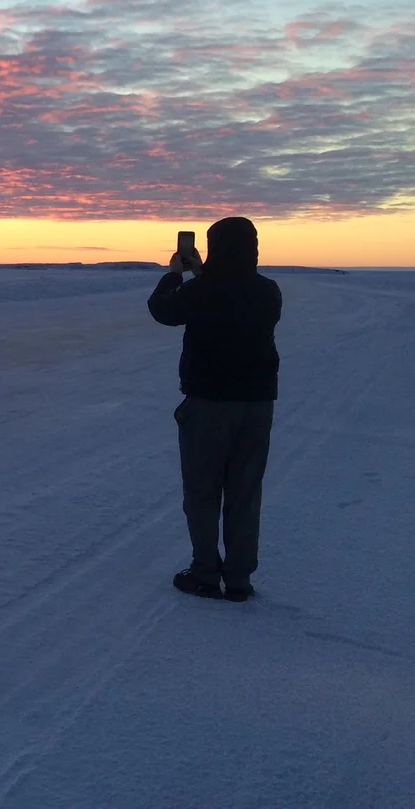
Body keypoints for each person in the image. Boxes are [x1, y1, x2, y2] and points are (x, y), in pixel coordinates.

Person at [147, 217, 281, 602]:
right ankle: (238, 579)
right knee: (244, 492)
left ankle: (206, 573)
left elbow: (163, 310)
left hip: (208, 405)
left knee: (203, 492)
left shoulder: (202, 290)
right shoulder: (268, 291)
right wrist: (205, 274)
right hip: (256, 407)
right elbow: (230, 293)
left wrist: (176, 273)